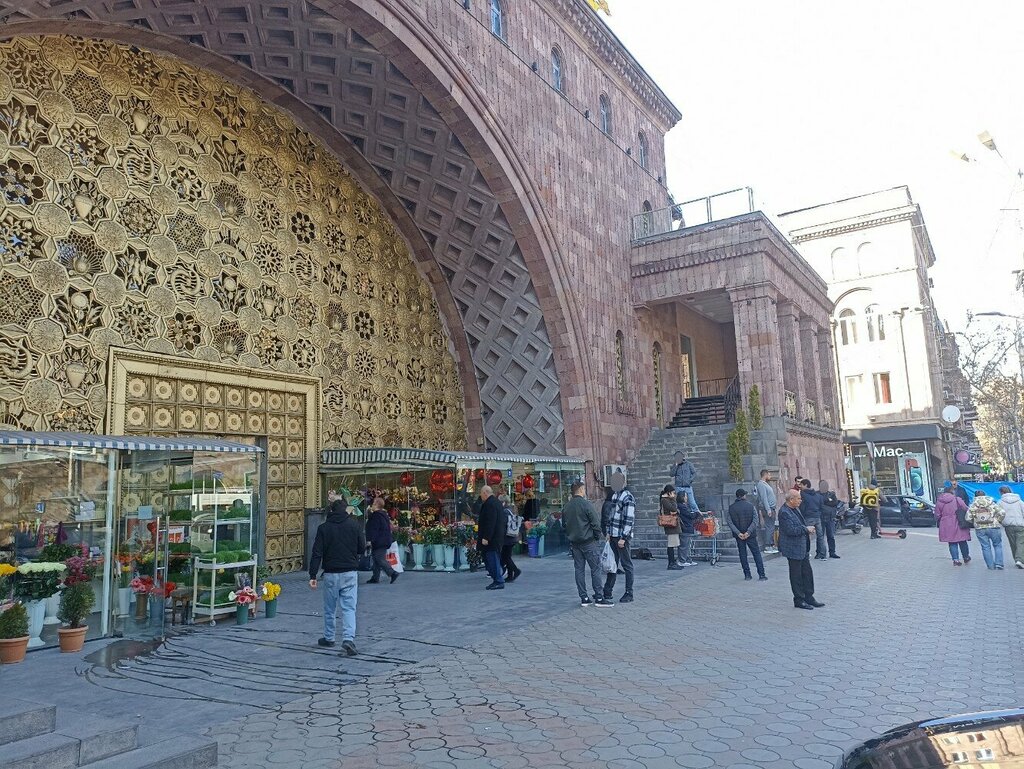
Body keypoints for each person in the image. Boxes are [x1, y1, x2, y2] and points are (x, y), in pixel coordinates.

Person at [309, 499, 366, 655]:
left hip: (331, 573)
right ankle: (348, 639)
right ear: (345, 510)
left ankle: (329, 637)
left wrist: (312, 574)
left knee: (329, 608)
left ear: (331, 510)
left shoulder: (323, 528)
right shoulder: (355, 525)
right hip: (350, 573)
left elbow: (317, 553)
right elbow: (362, 548)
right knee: (349, 608)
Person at [562, 480, 608, 607]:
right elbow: (595, 523)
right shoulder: (586, 505)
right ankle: (599, 596)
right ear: (581, 490)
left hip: (575, 542)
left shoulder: (567, 506)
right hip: (588, 541)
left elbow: (564, 526)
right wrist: (597, 536)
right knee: (595, 568)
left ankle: (584, 597)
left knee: (579, 570)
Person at [778, 489, 824, 610]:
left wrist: (805, 528)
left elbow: (799, 525)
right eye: (798, 498)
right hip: (793, 549)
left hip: (803, 548)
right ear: (791, 499)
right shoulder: (784, 512)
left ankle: (809, 597)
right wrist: (806, 529)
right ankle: (799, 599)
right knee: (796, 575)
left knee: (807, 573)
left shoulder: (795, 508)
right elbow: (791, 530)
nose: (800, 500)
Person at [603, 471, 635, 603]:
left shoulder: (628, 497)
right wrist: (609, 533)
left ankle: (629, 592)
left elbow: (629, 519)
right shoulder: (615, 495)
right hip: (613, 535)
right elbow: (612, 516)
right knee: (612, 563)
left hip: (622, 536)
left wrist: (624, 537)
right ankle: (607, 591)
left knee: (627, 564)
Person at [728, 489, 766, 581]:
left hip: (739, 535)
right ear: (743, 496)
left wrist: (738, 533)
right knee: (756, 554)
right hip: (751, 534)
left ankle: (747, 575)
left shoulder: (731, 508)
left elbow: (730, 522)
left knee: (743, 554)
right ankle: (761, 575)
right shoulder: (750, 506)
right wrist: (748, 532)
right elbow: (755, 520)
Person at [967, 490, 1005, 570]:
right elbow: (1002, 512)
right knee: (997, 545)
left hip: (980, 529)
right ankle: (999, 564)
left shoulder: (973, 505)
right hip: (994, 527)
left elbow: (967, 518)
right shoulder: (992, 503)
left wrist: (975, 522)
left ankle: (990, 566)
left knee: (985, 547)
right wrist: (998, 520)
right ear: (985, 495)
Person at [477, 486, 507, 590]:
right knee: (490, 559)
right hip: (496, 537)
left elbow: (490, 522)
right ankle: (497, 578)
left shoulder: (490, 504)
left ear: (485, 493)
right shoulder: (496, 502)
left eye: (481, 493)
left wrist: (486, 537)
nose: (480, 495)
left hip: (491, 539)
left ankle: (498, 580)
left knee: (492, 559)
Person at [364, 496, 399, 585]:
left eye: (373, 503)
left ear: (376, 505)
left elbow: (373, 529)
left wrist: (370, 540)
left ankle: (392, 573)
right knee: (376, 558)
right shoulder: (383, 515)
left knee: (379, 558)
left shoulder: (376, 516)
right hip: (383, 540)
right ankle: (375, 577)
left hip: (379, 541)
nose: (371, 505)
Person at [935, 483, 971, 565]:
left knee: (952, 542)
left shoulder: (940, 501)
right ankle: (966, 557)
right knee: (962, 540)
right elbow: (965, 508)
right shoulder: (957, 499)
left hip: (946, 523)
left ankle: (956, 560)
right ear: (952, 492)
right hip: (959, 522)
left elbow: (937, 514)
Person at [996, 485, 1024, 569]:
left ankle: (1017, 559)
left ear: (1001, 492)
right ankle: (1020, 559)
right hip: (1020, 524)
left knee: (1013, 543)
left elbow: (998, 514)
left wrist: (1001, 522)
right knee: (1021, 542)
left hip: (1008, 525)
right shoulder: (1019, 501)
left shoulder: (1000, 502)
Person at [799, 479, 826, 560]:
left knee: (806, 536)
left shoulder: (803, 494)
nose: (800, 487)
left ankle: (806, 553)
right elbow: (822, 507)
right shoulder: (818, 495)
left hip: (808, 517)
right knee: (820, 536)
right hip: (817, 517)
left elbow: (802, 507)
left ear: (806, 485)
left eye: (802, 485)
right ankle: (822, 554)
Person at [659, 484, 684, 571]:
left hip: (673, 524)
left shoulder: (666, 499)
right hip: (670, 524)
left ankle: (673, 562)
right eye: (673, 493)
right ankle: (671, 563)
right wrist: (673, 499)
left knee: (673, 544)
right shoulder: (665, 500)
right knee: (671, 544)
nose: (674, 495)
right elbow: (674, 508)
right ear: (669, 493)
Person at [754, 469, 778, 554]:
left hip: (771, 508)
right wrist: (768, 509)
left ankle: (771, 544)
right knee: (769, 527)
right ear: (766, 474)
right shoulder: (761, 484)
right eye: (769, 474)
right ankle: (768, 546)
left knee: (771, 527)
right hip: (768, 509)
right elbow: (764, 498)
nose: (770, 476)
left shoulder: (765, 484)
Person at [500, 493, 522, 582]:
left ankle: (515, 571)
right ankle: (510, 575)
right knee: (507, 556)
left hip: (507, 538)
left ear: (504, 502)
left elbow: (503, 525)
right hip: (512, 537)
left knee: (506, 557)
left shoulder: (505, 512)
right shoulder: (511, 510)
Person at [818, 481, 840, 559]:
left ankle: (832, 552)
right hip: (820, 518)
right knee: (820, 536)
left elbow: (835, 503)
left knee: (831, 536)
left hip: (830, 518)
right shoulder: (817, 494)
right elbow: (818, 504)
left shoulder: (831, 494)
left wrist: (825, 503)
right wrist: (827, 502)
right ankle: (819, 552)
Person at [676, 492, 698, 566]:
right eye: (685, 496)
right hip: (684, 527)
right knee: (684, 545)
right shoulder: (681, 506)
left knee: (687, 545)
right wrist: (696, 513)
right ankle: (682, 560)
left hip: (687, 527)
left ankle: (688, 559)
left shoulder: (684, 506)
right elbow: (689, 515)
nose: (686, 498)